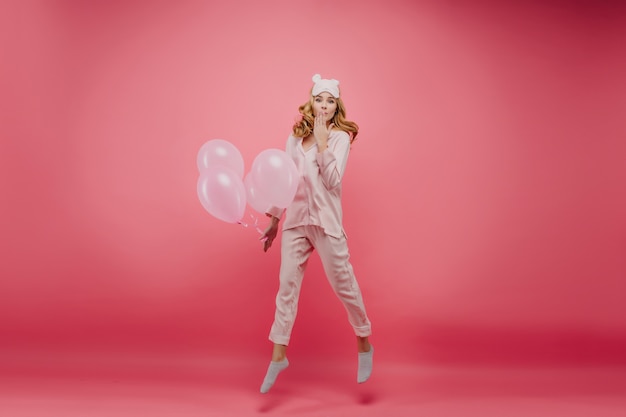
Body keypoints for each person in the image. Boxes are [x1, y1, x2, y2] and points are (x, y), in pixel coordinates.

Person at [259, 74, 373, 394]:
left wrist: (323, 143)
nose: (324, 105)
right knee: (286, 288)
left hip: (326, 223)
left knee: (344, 285)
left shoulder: (338, 138)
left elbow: (334, 182)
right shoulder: (294, 140)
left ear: (336, 106)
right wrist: (274, 219)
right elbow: (287, 182)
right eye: (319, 99)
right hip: (296, 221)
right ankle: (278, 356)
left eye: (330, 100)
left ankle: (364, 342)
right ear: (311, 102)